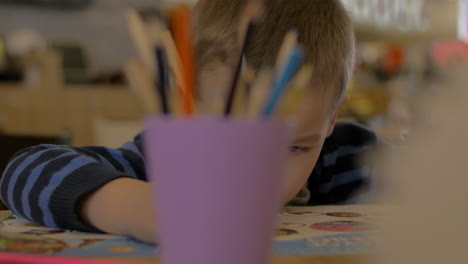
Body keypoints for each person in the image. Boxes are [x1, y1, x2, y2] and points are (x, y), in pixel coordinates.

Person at [0, 0, 381, 243]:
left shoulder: (351, 158)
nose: (254, 175)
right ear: (186, 106)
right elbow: (23, 170)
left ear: (332, 119)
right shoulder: (161, 161)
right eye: (224, 141)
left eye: (293, 147)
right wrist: (138, 207)